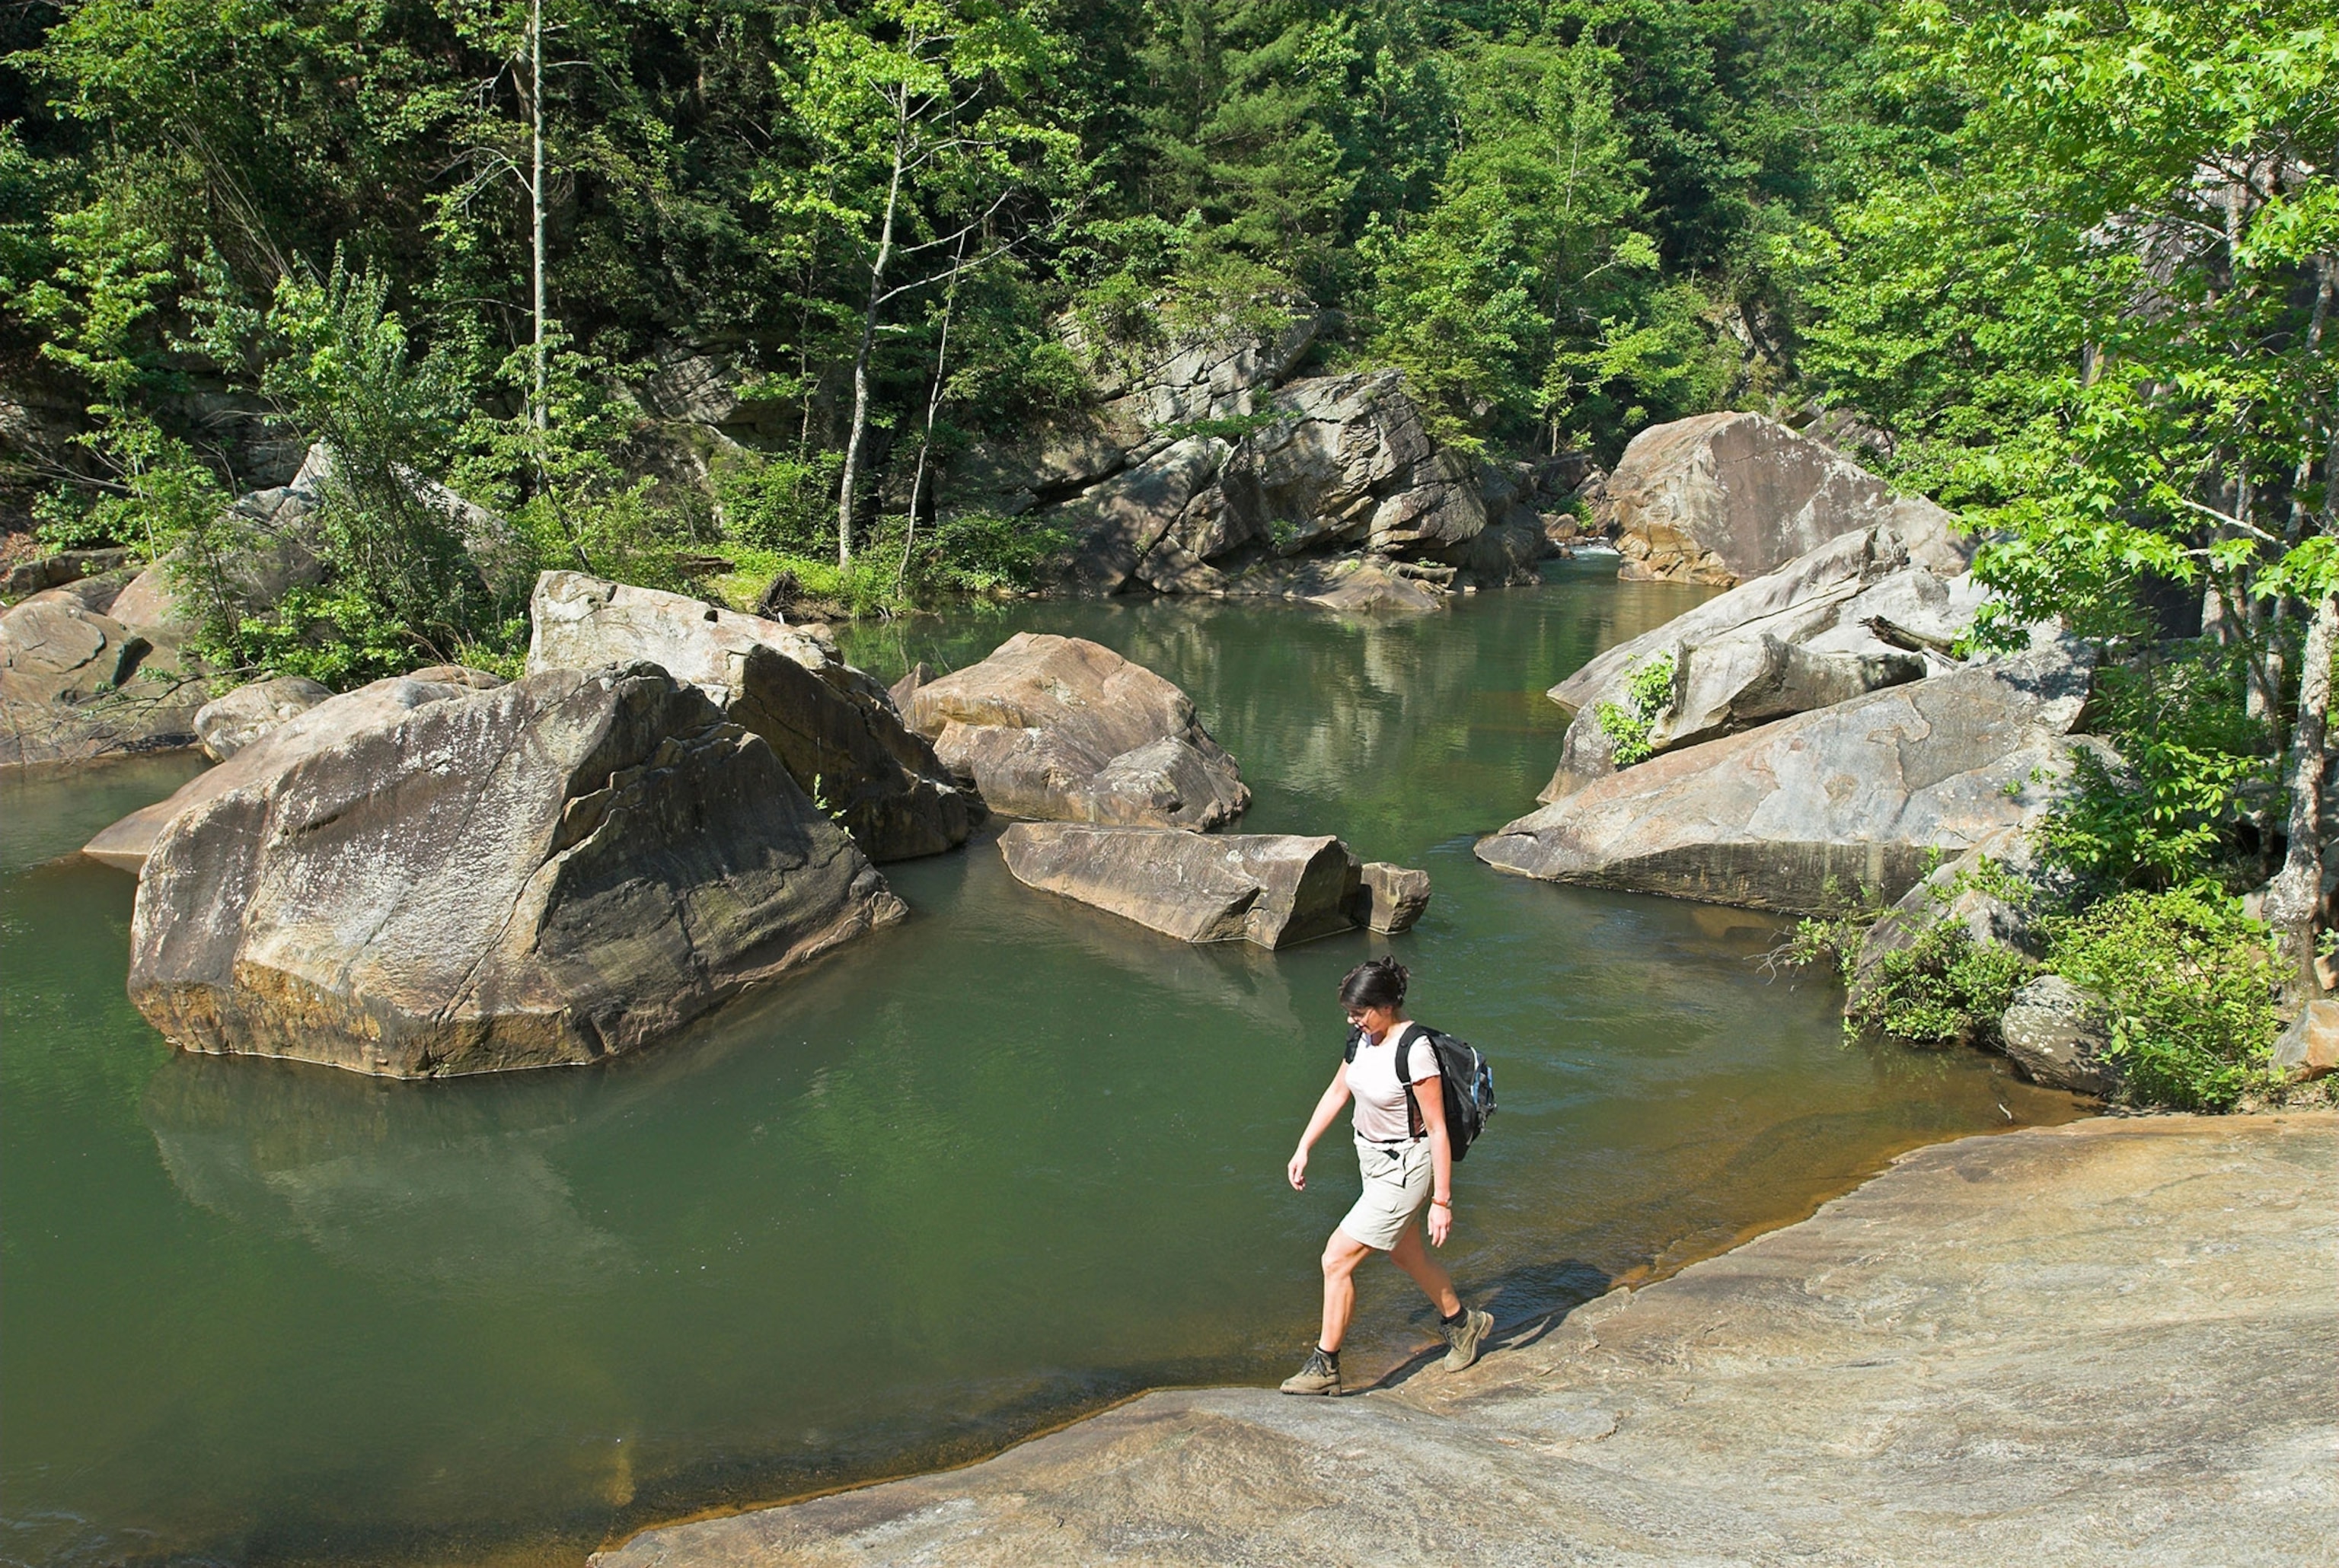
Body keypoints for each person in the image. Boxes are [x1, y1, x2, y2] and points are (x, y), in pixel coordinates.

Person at [1281, 956, 1492, 1395]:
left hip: (1406, 1168)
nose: (1353, 1020)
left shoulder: (1415, 1052)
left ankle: (1325, 1368)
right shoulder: (1360, 1040)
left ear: (1387, 1006)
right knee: (1405, 1254)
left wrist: (1441, 1201)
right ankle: (1463, 1323)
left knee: (1335, 1259)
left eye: (1359, 1012)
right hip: (1371, 1162)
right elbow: (1339, 1090)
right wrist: (1304, 1146)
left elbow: (1436, 1130)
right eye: (1350, 1013)